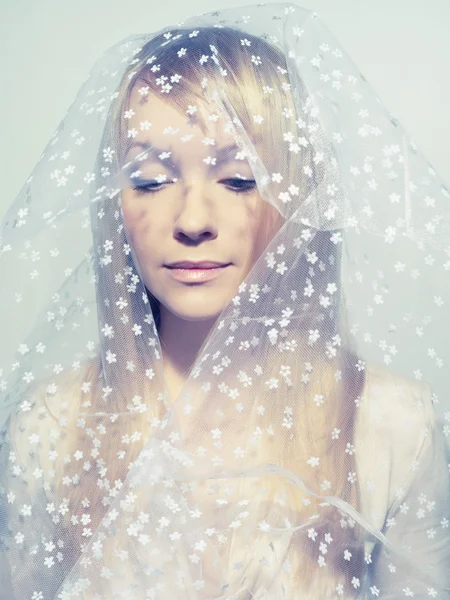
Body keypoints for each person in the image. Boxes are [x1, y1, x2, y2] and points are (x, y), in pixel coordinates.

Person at [0, 3, 449, 598]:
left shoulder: (388, 426)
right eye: (151, 179)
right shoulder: (52, 430)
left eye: (239, 179)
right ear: (116, 205)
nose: (191, 219)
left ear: (297, 196)